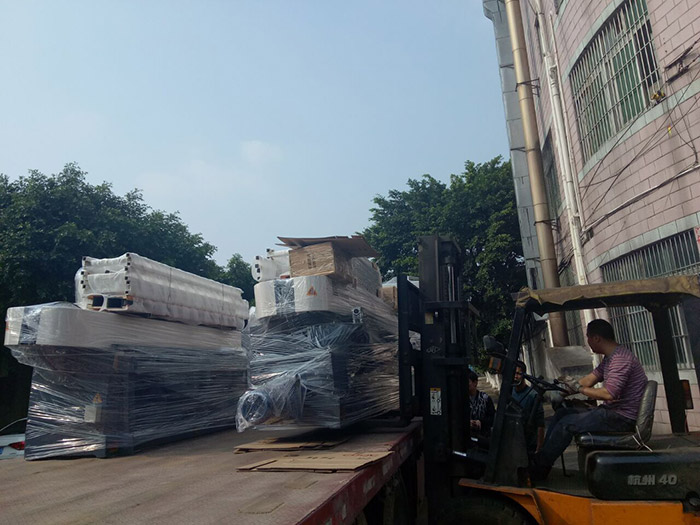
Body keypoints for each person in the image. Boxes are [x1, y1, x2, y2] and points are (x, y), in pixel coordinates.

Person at [532, 319, 648, 480]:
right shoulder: (610, 358)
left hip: (621, 418)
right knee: (562, 414)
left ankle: (538, 469)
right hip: (612, 412)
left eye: (588, 337)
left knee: (567, 424)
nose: (587, 341)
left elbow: (609, 394)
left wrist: (579, 388)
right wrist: (564, 392)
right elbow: (589, 380)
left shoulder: (620, 359)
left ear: (596, 338)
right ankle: (541, 459)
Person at [511, 362, 545, 456]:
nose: (515, 377)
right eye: (513, 373)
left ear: (524, 375)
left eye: (518, 373)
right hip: (513, 441)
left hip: (529, 442)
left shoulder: (532, 395)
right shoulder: (509, 393)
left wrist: (539, 447)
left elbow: (540, 424)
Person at [468, 370, 495, 438]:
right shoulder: (460, 399)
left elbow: (492, 417)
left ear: (475, 383)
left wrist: (481, 422)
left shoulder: (485, 398)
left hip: (483, 436)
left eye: (468, 382)